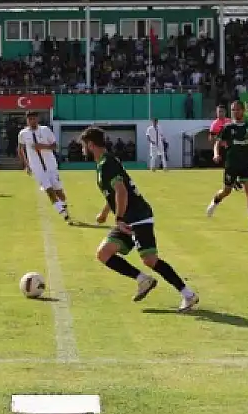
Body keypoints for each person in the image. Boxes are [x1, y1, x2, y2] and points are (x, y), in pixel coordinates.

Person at [81, 127, 198, 310]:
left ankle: (188, 295)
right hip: (128, 218)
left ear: (90, 144)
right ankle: (143, 280)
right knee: (104, 253)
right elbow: (113, 193)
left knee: (150, 260)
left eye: (83, 145)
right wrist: (105, 213)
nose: (82, 149)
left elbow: (121, 191)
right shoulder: (105, 163)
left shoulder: (107, 164)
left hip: (137, 216)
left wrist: (118, 217)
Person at [206, 101, 248, 232]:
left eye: (238, 109)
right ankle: (215, 202)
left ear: (243, 111)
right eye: (233, 110)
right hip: (232, 164)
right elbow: (217, 143)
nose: (235, 112)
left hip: (247, 164)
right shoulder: (228, 127)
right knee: (226, 191)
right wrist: (216, 154)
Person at [17, 111, 70, 222]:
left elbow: (55, 146)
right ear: (27, 120)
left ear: (38, 119)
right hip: (37, 167)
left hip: (50, 165)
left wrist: (43, 146)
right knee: (49, 190)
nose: (32, 121)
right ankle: (63, 212)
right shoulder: (23, 133)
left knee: (59, 192)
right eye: (30, 119)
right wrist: (26, 165)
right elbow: (21, 150)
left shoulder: (45, 130)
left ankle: (63, 206)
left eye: (34, 118)